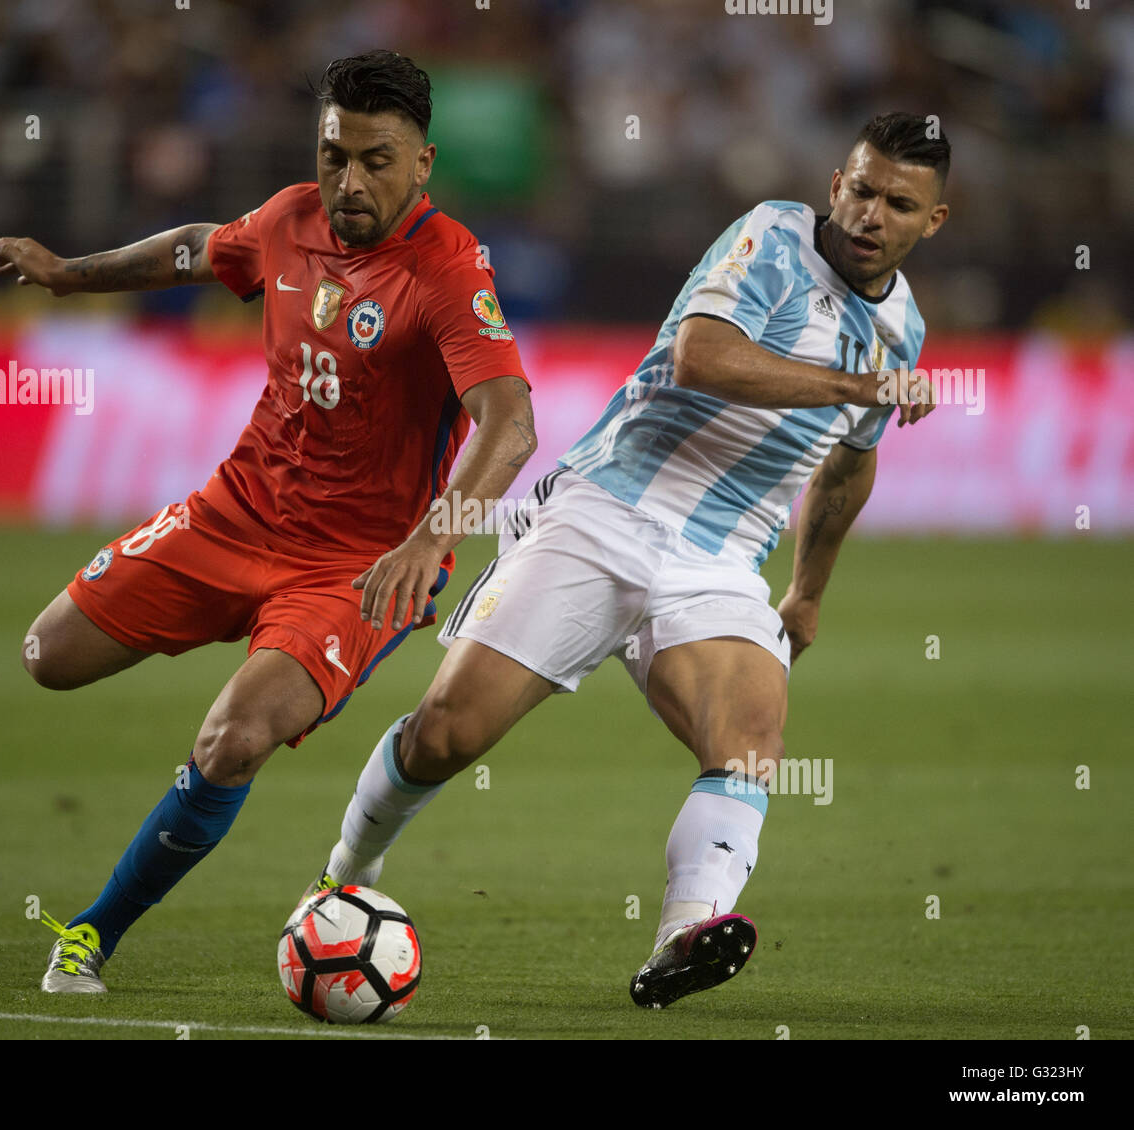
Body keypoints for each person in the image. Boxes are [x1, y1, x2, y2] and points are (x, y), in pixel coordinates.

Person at [306, 112, 949, 1008]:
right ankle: (344, 874)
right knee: (447, 734)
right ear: (836, 183)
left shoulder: (903, 329)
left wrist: (805, 592)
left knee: (752, 749)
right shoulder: (772, 237)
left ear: (933, 221)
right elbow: (702, 358)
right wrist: (860, 387)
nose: (871, 214)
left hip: (722, 558)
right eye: (862, 189)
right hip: (608, 506)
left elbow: (850, 460)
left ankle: (684, 935)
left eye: (898, 203)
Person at [0, 50, 535, 993]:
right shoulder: (289, 220)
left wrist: (430, 539)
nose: (350, 181)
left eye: (377, 159)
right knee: (49, 657)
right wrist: (71, 277)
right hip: (233, 513)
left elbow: (510, 425)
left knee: (232, 739)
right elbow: (199, 246)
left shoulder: (446, 268)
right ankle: (234, 632)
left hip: (358, 567)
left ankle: (91, 934)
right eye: (334, 155)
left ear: (424, 161)